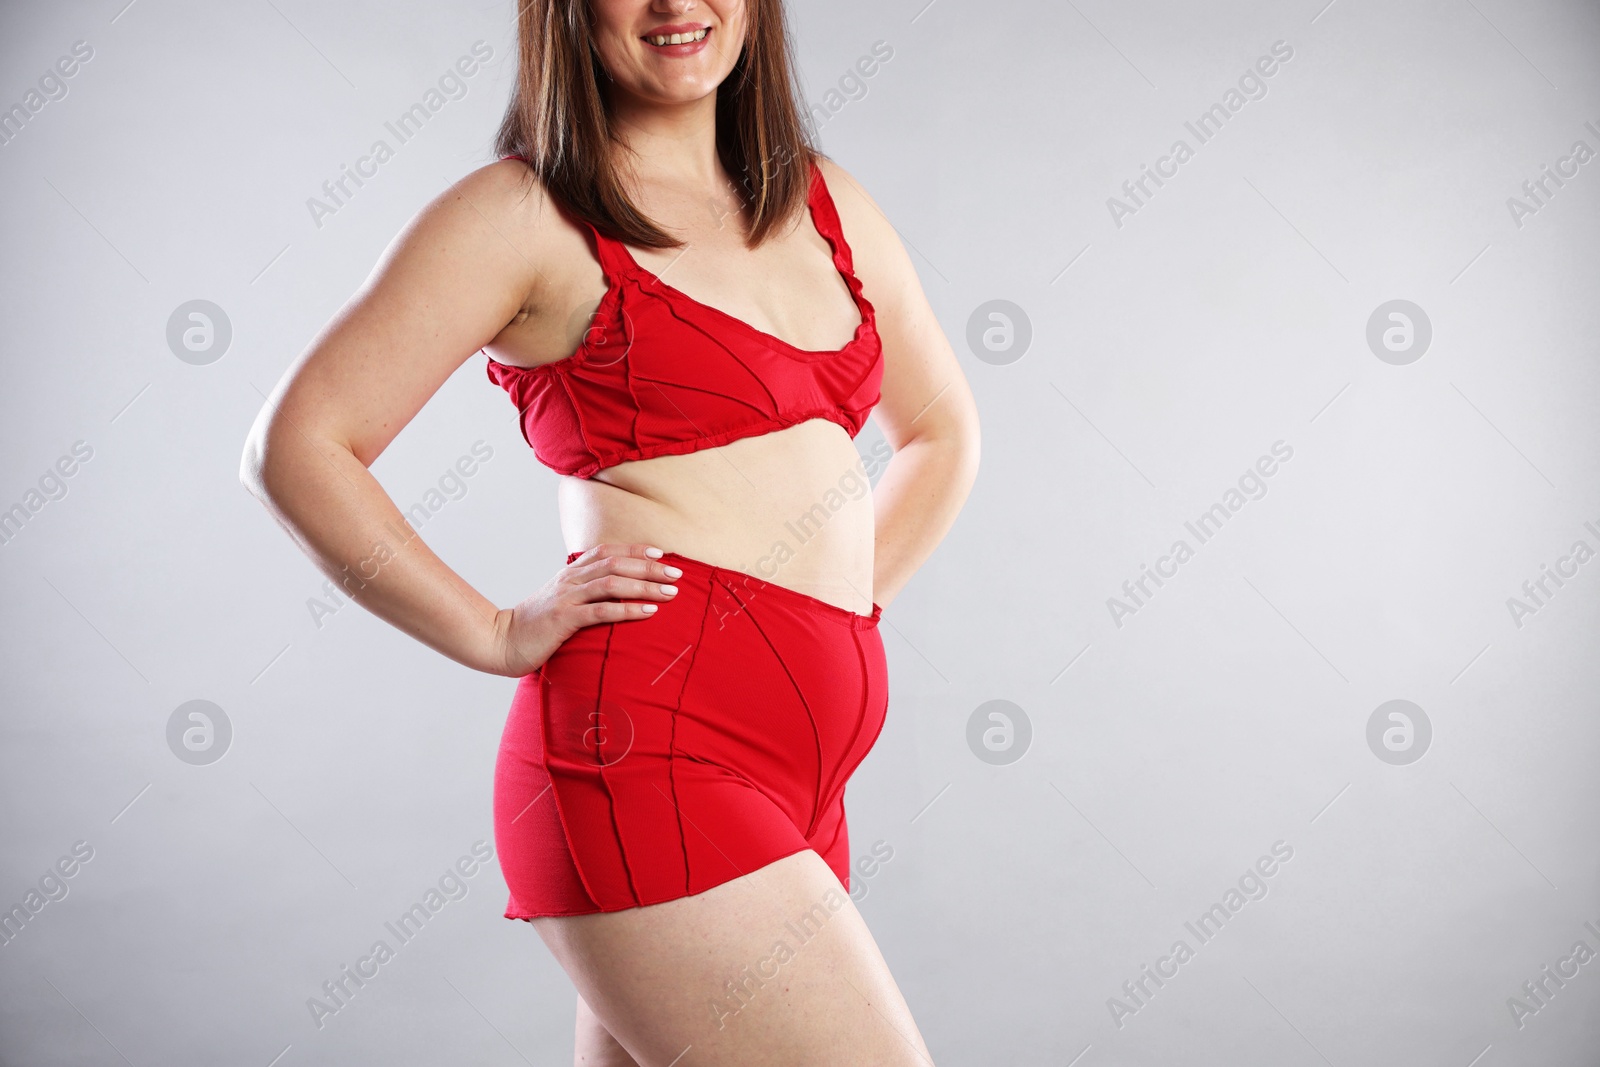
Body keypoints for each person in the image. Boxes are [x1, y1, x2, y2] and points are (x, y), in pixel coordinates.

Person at [240, 0, 979, 1062]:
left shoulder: (826, 201)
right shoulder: (520, 216)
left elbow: (944, 431)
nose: (677, 5)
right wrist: (493, 631)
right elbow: (299, 444)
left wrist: (837, 610)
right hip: (648, 755)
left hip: (805, 776)